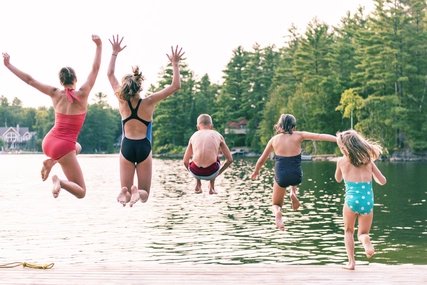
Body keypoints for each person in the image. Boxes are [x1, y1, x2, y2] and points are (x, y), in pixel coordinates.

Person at [2, 35, 102, 199]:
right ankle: (59, 181)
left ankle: (51, 161)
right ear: (75, 79)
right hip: (63, 147)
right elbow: (95, 68)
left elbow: (30, 80)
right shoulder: (83, 93)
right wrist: (99, 46)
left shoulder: (54, 93)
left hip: (48, 142)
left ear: (61, 81)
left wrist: (8, 65)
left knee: (78, 147)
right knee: (81, 192)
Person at [108, 35, 184, 207]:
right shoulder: (149, 102)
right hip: (143, 147)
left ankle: (125, 191)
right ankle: (135, 191)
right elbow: (175, 86)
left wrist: (114, 53)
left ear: (125, 87)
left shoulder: (122, 101)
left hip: (127, 146)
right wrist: (175, 63)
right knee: (145, 194)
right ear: (139, 86)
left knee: (125, 194)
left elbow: (110, 74)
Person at [251, 114, 336, 230]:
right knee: (294, 169)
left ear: (279, 127)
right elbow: (319, 136)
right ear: (293, 127)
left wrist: (256, 171)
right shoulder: (299, 135)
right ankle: (293, 193)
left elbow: (262, 159)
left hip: (281, 177)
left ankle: (278, 213)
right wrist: (338, 139)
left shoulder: (274, 140)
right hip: (296, 176)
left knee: (276, 204)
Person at [335, 129, 387, 270]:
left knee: (348, 231)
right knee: (363, 233)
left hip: (351, 201)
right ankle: (366, 243)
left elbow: (338, 179)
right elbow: (382, 181)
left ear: (344, 147)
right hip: (367, 202)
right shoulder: (368, 161)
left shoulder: (341, 161)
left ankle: (351, 262)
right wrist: (372, 176)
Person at [183, 114, 233, 194]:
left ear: (198, 127)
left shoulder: (193, 136)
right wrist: (218, 173)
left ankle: (198, 183)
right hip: (212, 173)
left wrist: (192, 173)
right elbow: (230, 160)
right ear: (211, 126)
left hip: (195, 172)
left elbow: (185, 161)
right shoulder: (218, 135)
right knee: (215, 157)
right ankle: (211, 187)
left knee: (194, 159)